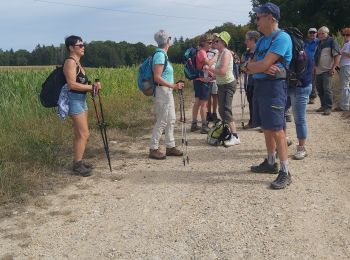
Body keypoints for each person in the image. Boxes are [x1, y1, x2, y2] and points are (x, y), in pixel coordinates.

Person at [244, 2, 292, 189]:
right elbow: (252, 64)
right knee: (266, 127)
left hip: (274, 88)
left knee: (277, 129)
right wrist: (254, 66)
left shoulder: (282, 38)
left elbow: (259, 65)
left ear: (270, 18)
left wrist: (253, 66)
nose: (256, 20)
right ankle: (271, 162)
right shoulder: (263, 40)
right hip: (262, 86)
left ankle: (285, 171)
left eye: (259, 17)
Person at [63, 35, 101, 177]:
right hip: (74, 100)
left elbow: (82, 84)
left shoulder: (78, 63)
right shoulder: (70, 62)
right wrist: (91, 87)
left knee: (80, 134)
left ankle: (79, 161)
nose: (83, 47)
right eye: (80, 45)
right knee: (84, 134)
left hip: (81, 100)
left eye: (83, 45)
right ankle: (77, 165)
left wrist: (93, 86)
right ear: (71, 48)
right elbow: (71, 84)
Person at [149, 30, 185, 160]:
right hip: (162, 91)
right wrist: (173, 86)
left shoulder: (163, 54)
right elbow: (157, 77)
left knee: (171, 119)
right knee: (163, 121)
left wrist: (173, 85)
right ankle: (153, 148)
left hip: (166, 90)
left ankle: (170, 146)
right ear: (167, 40)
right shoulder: (159, 55)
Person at [209, 31, 240, 146]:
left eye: (217, 41)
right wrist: (212, 76)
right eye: (215, 41)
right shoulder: (220, 53)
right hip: (221, 84)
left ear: (223, 42)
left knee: (226, 110)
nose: (215, 42)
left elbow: (222, 71)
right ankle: (228, 132)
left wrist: (210, 70)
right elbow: (219, 71)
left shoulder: (226, 53)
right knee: (221, 110)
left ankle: (235, 136)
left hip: (228, 84)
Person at [288, 29, 314, 160]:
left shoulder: (302, 54)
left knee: (299, 119)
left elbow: (299, 75)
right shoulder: (296, 52)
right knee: (281, 114)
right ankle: (284, 140)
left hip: (300, 88)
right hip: (292, 87)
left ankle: (302, 148)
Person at [190, 33, 217, 134]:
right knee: (203, 104)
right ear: (203, 43)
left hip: (198, 80)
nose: (211, 44)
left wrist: (211, 74)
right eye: (209, 42)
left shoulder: (200, 51)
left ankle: (194, 124)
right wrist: (216, 55)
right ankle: (204, 125)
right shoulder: (202, 52)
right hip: (202, 82)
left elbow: (203, 67)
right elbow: (208, 64)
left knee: (197, 102)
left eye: (212, 42)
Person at [314, 26, 341, 115]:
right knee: (319, 89)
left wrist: (333, 68)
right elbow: (316, 56)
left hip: (327, 70)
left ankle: (328, 107)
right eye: (319, 33)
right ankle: (323, 105)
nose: (320, 35)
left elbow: (337, 55)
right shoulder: (318, 42)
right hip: (318, 70)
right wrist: (314, 68)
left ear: (327, 33)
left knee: (327, 89)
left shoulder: (332, 41)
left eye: (323, 33)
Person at [241, 30, 260, 129]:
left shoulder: (260, 51)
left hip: (259, 81)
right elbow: (243, 67)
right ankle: (253, 121)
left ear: (253, 40)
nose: (245, 42)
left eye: (247, 40)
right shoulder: (246, 53)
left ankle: (264, 124)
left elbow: (258, 66)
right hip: (249, 82)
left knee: (261, 102)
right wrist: (249, 67)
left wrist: (249, 67)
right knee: (251, 102)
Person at [335, 28, 350, 111]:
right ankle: (343, 104)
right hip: (343, 66)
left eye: (347, 35)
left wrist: (342, 52)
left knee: (345, 86)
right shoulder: (346, 44)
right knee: (344, 86)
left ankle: (345, 106)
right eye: (344, 35)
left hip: (347, 66)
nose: (345, 36)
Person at [206, 33, 219, 124]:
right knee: (208, 96)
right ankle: (208, 114)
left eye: (217, 40)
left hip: (215, 77)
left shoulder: (219, 51)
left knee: (215, 96)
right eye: (213, 40)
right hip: (207, 77)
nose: (214, 42)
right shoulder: (207, 50)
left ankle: (214, 113)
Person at [305, 28, 319, 104]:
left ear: (316, 33)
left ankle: (312, 97)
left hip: (315, 63)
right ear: (308, 33)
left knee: (313, 80)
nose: (312, 34)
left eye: (314, 32)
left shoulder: (319, 42)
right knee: (307, 79)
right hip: (306, 63)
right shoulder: (305, 42)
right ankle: (307, 95)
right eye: (310, 32)